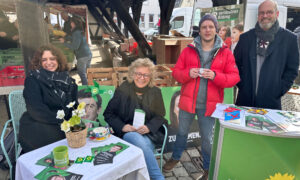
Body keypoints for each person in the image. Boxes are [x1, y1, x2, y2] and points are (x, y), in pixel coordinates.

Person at [163, 14, 240, 180]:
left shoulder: (225, 53)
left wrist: (215, 76)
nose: (207, 30)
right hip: (187, 103)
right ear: (200, 29)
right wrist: (188, 74)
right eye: (204, 27)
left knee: (207, 139)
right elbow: (176, 73)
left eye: (211, 27)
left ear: (216, 29)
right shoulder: (189, 49)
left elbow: (234, 77)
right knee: (182, 132)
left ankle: (207, 169)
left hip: (209, 106)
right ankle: (176, 157)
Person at [104, 58, 167, 180]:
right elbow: (108, 113)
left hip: (150, 134)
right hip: (127, 133)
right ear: (132, 74)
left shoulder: (155, 92)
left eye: (146, 75)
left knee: (139, 147)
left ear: (151, 77)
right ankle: (158, 177)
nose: (141, 77)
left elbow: (160, 115)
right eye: (138, 73)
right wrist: (123, 126)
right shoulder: (123, 89)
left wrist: (149, 127)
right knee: (133, 137)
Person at [234, 0, 299, 110]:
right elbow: (235, 64)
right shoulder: (246, 38)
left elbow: (292, 69)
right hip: (244, 100)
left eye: (269, 12)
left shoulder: (289, 39)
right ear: (258, 15)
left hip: (271, 103)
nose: (265, 16)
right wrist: (242, 85)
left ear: (277, 14)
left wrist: (279, 90)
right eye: (261, 13)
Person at [19, 45, 78, 153]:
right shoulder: (33, 80)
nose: (48, 62)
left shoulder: (69, 81)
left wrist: (76, 122)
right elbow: (37, 110)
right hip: (39, 129)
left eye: (52, 59)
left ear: (58, 60)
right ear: (39, 62)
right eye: (44, 60)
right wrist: (63, 123)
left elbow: (74, 106)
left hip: (64, 129)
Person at [59, 17, 92, 85]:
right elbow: (76, 39)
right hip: (88, 54)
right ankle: (90, 86)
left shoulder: (76, 32)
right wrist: (67, 38)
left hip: (82, 56)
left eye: (71, 23)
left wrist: (64, 43)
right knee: (88, 72)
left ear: (74, 24)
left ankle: (85, 90)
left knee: (81, 73)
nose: (70, 24)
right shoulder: (80, 31)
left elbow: (75, 47)